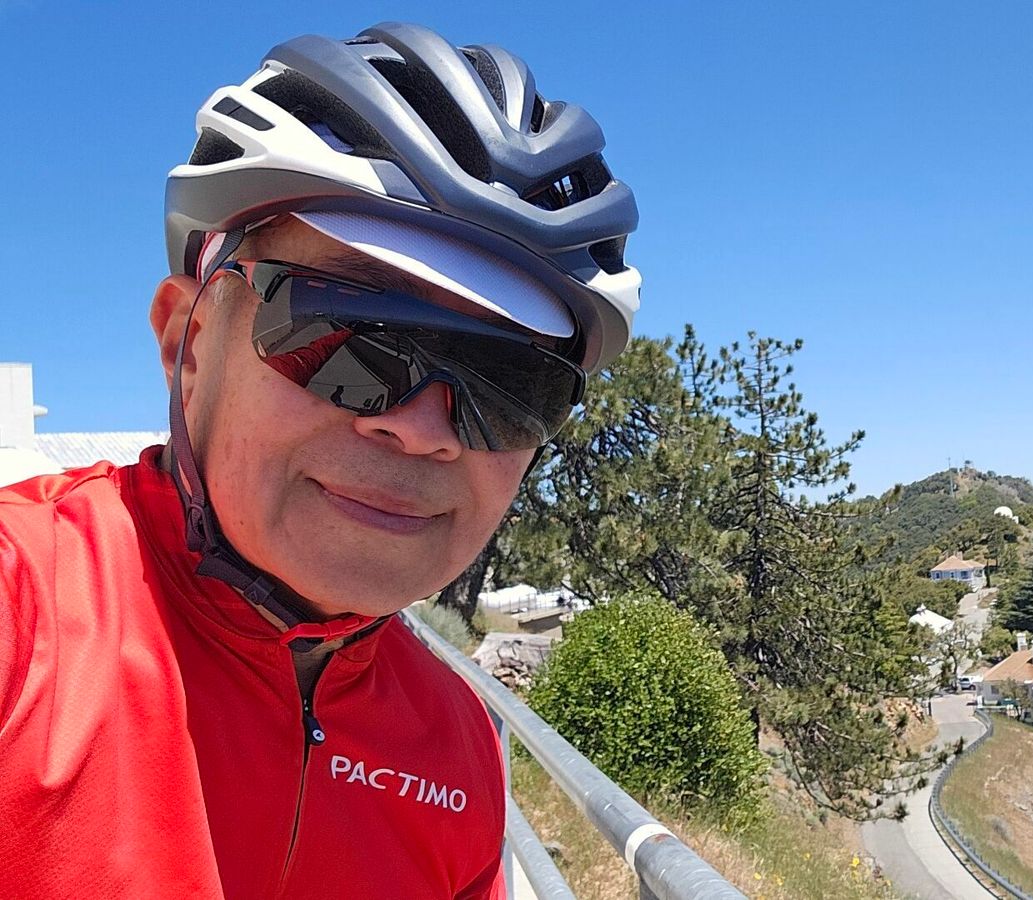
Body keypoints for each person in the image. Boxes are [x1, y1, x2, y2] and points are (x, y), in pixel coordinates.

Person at [0, 21, 639, 899]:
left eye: (510, 386)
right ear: (189, 344)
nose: (424, 430)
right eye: (349, 338)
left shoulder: (459, 745)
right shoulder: (25, 616)